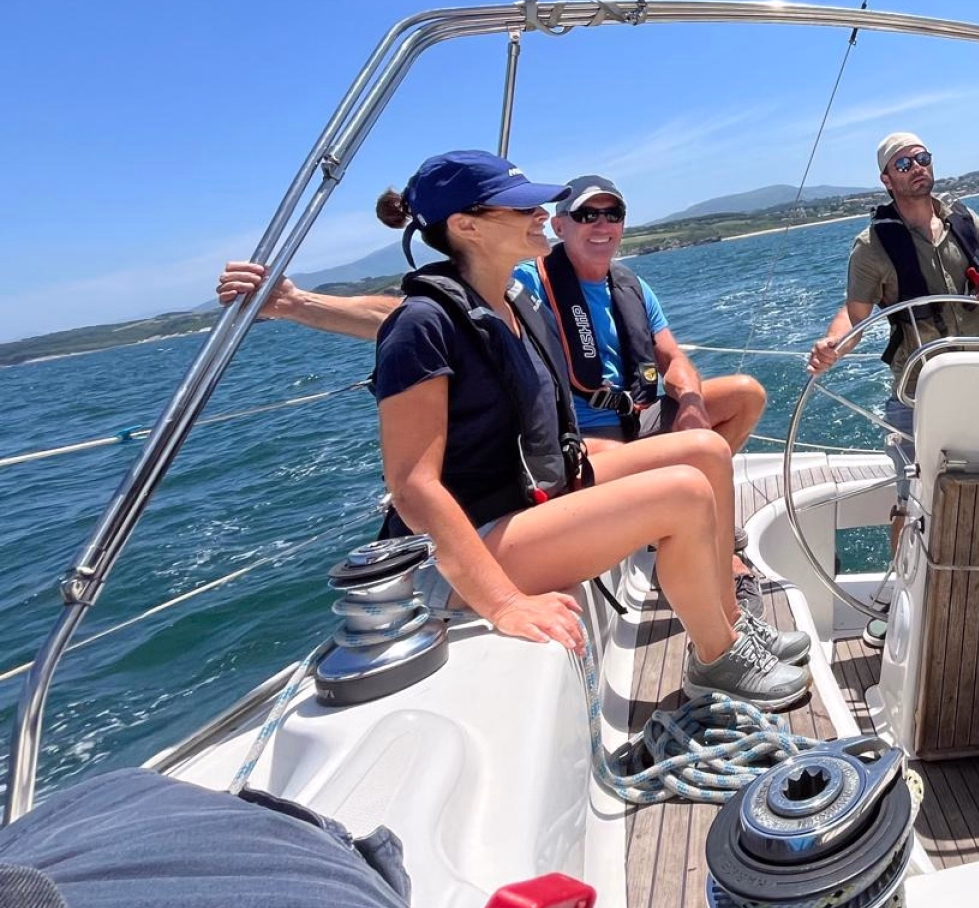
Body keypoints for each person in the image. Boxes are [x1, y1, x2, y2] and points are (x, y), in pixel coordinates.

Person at [365, 149, 808, 709]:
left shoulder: (513, 301)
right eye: (521, 205)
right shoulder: (420, 327)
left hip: (531, 495)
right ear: (466, 226)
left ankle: (730, 621)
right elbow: (412, 486)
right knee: (684, 492)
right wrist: (502, 602)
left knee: (703, 451)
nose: (540, 212)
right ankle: (716, 659)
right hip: (472, 544)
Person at [217, 173, 770, 606]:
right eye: (586, 214)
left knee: (741, 397)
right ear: (560, 224)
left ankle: (703, 549)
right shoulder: (526, 279)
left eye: (613, 213)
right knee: (684, 474)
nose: (601, 224)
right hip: (581, 434)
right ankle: (714, 568)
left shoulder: (632, 284)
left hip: (637, 413)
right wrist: (298, 304)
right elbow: (407, 316)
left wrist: (692, 405)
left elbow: (671, 355)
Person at [806, 132, 979, 641]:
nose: (917, 167)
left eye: (922, 158)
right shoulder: (872, 247)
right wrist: (832, 346)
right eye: (904, 163)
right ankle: (906, 599)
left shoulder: (964, 220)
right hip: (918, 388)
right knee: (913, 500)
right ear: (887, 178)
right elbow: (854, 317)